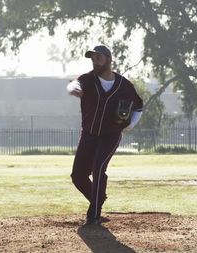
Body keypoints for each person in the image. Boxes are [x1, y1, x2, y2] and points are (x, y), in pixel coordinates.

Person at [67, 45, 144, 225]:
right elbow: (74, 83)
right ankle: (99, 197)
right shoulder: (87, 80)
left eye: (99, 58)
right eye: (93, 59)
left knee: (99, 168)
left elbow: (138, 106)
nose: (95, 62)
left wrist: (130, 124)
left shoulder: (124, 85)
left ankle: (93, 215)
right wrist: (73, 89)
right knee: (78, 176)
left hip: (110, 135)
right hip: (88, 135)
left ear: (109, 60)